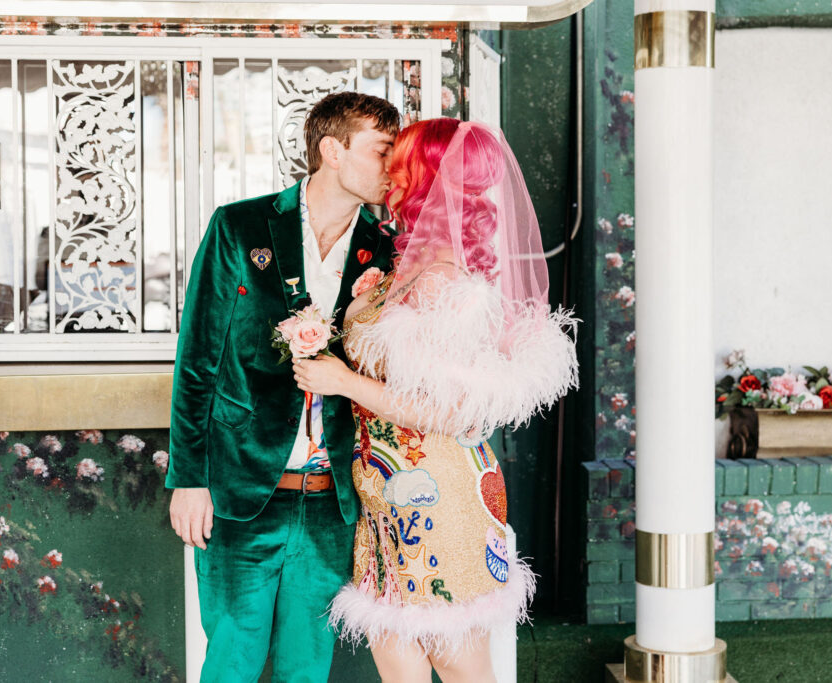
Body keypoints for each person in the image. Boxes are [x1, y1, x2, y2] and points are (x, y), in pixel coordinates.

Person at [293, 118, 579, 682]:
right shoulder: (408, 268)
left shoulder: (446, 282)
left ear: (421, 177)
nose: (388, 174)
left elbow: (454, 412)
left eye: (398, 163)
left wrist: (344, 382)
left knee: (462, 667)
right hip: (385, 490)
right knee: (397, 660)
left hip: (437, 493)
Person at [165, 92, 400, 682]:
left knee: (307, 666)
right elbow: (197, 361)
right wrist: (190, 479)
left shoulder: (388, 249)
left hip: (333, 499)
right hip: (242, 491)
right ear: (332, 151)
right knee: (233, 663)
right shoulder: (240, 227)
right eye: (381, 151)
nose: (392, 168)